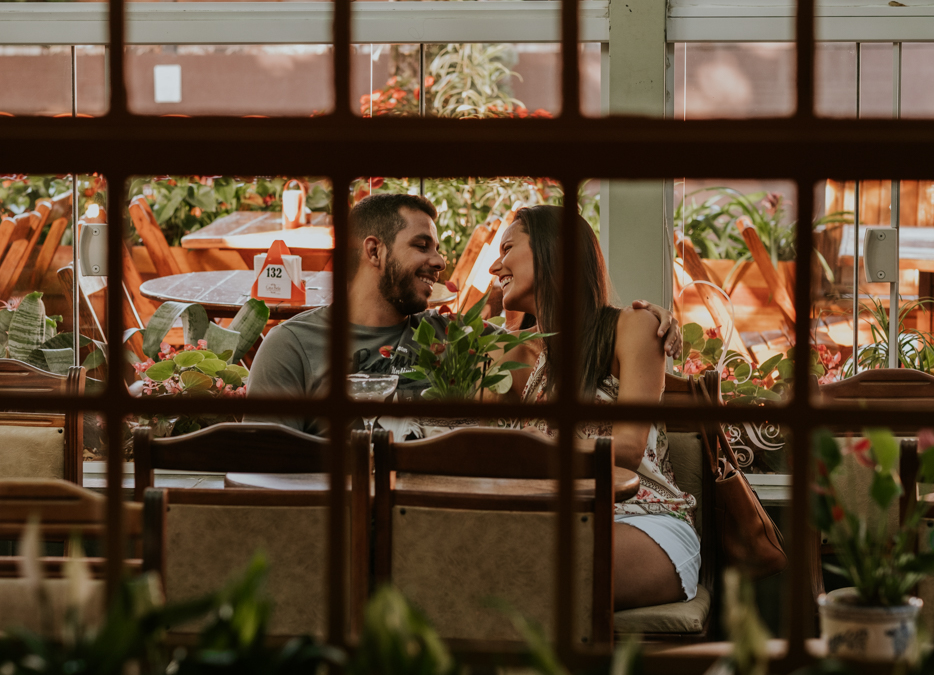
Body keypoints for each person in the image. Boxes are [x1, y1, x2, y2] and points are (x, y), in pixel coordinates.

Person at [247, 193, 682, 437]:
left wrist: (648, 320)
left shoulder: (455, 339)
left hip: (437, 518)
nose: (439, 261)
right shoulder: (292, 345)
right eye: (422, 246)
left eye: (438, 248)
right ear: (374, 250)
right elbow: (263, 464)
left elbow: (559, 343)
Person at [488, 204, 699, 611]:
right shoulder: (510, 355)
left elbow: (628, 447)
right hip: (552, 520)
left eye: (507, 248)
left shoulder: (631, 326)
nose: (495, 266)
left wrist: (524, 448)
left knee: (534, 568)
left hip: (642, 519)